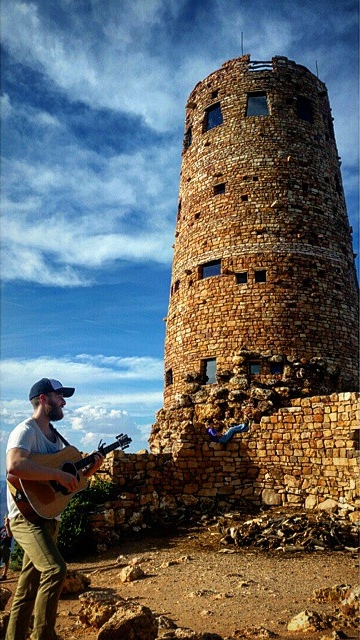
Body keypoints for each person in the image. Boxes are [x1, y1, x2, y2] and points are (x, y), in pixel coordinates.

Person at [5, 378, 104, 640]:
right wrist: (57, 475)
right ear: (43, 399)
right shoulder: (25, 430)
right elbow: (14, 466)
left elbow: (65, 485)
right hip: (26, 518)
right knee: (55, 569)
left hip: (49, 514)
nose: (64, 402)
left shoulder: (57, 440)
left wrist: (89, 471)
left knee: (27, 589)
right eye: (59, 396)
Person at [0, 515, 12, 580]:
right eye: (5, 519)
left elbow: (9, 535)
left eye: (7, 519)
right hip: (0, 545)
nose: (6, 520)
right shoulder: (1, 528)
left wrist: (7, 526)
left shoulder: (11, 527)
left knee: (6, 561)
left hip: (6, 546)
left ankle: (4, 575)